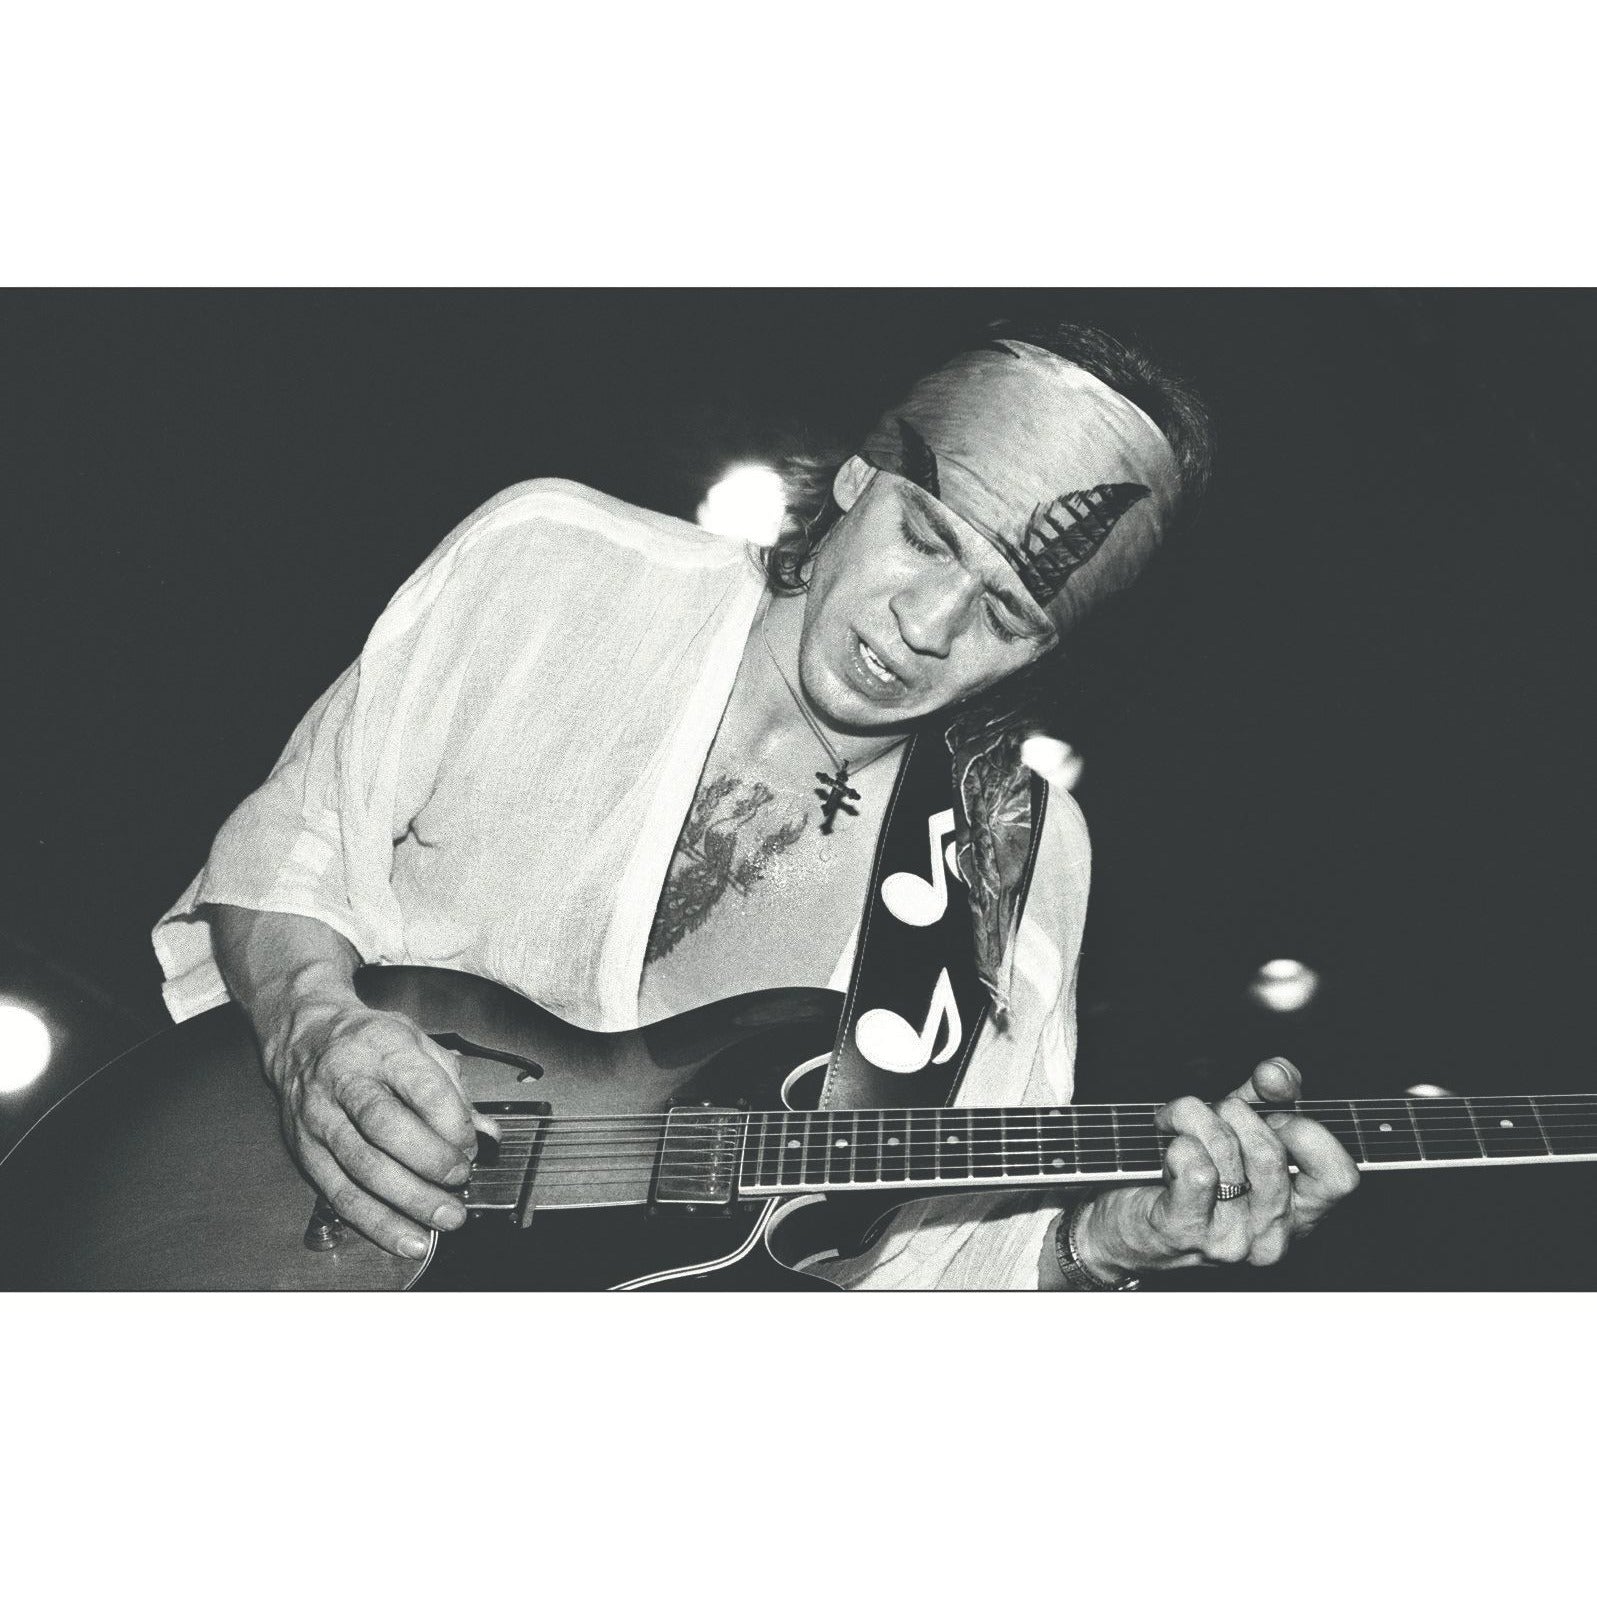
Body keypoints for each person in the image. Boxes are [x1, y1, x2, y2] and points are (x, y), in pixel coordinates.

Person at [152, 320, 1360, 1289]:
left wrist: (1102, 1242)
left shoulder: (1019, 856)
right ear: (858, 476)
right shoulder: (558, 564)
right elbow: (299, 834)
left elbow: (911, 1261)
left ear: (1048, 649)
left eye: (1005, 613)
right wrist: (311, 1021)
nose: (924, 627)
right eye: (925, 539)